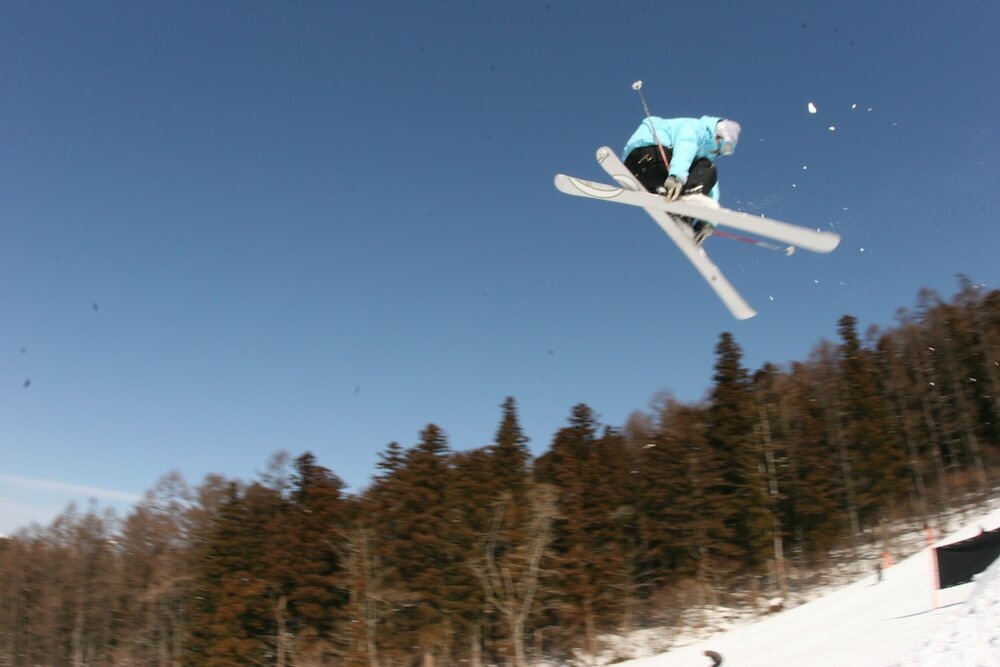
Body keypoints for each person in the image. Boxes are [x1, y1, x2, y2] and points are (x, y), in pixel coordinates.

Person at [622, 116, 741, 244]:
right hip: (649, 155)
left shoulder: (702, 156)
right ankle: (691, 196)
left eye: (724, 152)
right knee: (706, 167)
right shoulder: (697, 128)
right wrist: (676, 176)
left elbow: (711, 186)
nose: (719, 152)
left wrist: (709, 220)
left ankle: (681, 212)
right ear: (719, 135)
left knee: (705, 171)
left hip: (640, 170)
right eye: (724, 147)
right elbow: (685, 146)